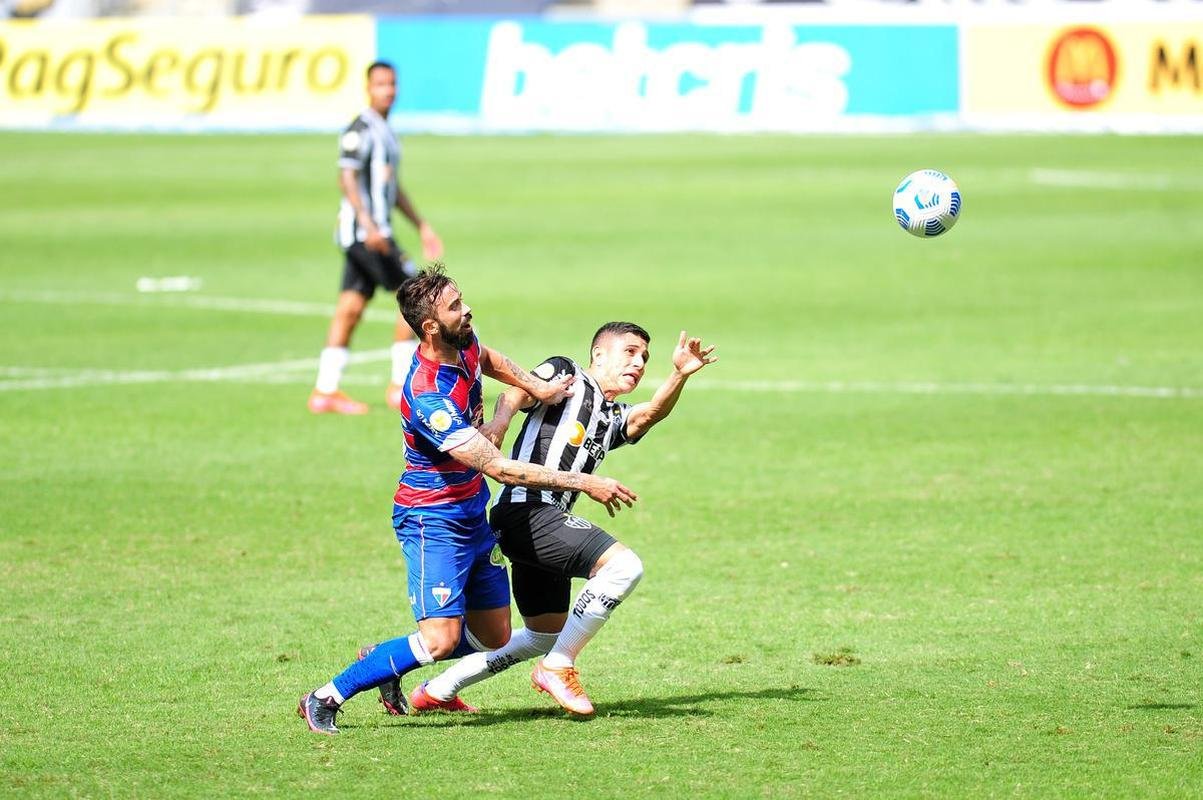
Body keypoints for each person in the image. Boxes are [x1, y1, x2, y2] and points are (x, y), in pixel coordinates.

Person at [298, 266, 640, 735]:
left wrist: (537, 388)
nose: (467, 310)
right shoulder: (427, 396)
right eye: (456, 306)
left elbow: (490, 358)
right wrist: (584, 483)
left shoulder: (464, 342)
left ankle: (384, 659)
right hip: (431, 520)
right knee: (441, 641)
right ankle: (325, 696)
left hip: (473, 514)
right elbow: (498, 467)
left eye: (463, 300)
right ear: (432, 326)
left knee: (493, 635)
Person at [414, 322, 716, 716]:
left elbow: (647, 416)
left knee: (544, 634)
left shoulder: (609, 416)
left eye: (644, 357)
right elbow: (517, 391)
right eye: (630, 352)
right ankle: (558, 667)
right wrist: (501, 423)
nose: (639, 362)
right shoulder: (567, 374)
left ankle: (436, 690)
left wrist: (678, 374)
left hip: (539, 522)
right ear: (598, 355)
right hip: (526, 510)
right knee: (624, 567)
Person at [308, 60, 444, 416]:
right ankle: (400, 386)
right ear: (369, 87)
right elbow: (347, 178)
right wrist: (369, 225)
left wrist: (421, 225)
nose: (389, 90)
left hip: (368, 233)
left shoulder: (386, 131)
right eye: (382, 84)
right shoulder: (360, 128)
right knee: (417, 297)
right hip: (367, 234)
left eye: (393, 83)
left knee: (350, 307)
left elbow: (392, 188)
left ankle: (325, 391)